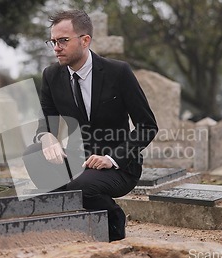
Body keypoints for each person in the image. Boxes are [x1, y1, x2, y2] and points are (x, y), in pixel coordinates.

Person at [23, 9, 158, 242]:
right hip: (77, 160)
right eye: (53, 41)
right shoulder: (51, 75)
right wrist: (47, 137)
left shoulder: (119, 72)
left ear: (85, 40)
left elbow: (147, 126)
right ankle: (70, 221)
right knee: (33, 155)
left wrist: (112, 158)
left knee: (81, 187)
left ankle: (114, 219)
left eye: (63, 41)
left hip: (119, 165)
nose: (56, 47)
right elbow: (46, 121)